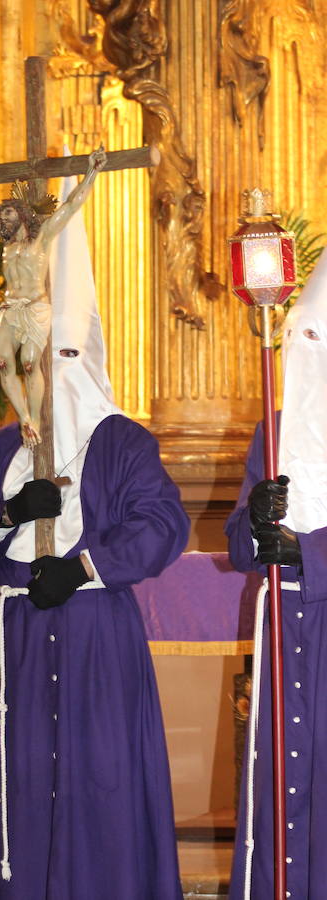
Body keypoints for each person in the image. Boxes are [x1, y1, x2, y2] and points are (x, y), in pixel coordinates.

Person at [0, 173, 190, 898]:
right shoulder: (1, 448)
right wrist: (9, 514)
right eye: (40, 358)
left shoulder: (123, 442)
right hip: (17, 637)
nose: (50, 373)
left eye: (63, 356)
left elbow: (163, 526)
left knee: (101, 791)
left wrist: (84, 568)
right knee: (19, 792)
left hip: (96, 641)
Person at [226, 247, 327, 899]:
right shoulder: (275, 428)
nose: (303, 352)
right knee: (279, 787)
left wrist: (309, 556)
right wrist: (257, 525)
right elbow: (240, 545)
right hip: (282, 622)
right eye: (298, 338)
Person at [0, 147, 106, 450]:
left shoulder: (43, 237)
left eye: (7, 212)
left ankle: (34, 417)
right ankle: (24, 417)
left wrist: (92, 171)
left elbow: (71, 204)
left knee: (27, 363)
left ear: (22, 215)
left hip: (36, 306)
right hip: (10, 307)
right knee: (1, 360)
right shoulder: (6, 241)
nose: (2, 217)